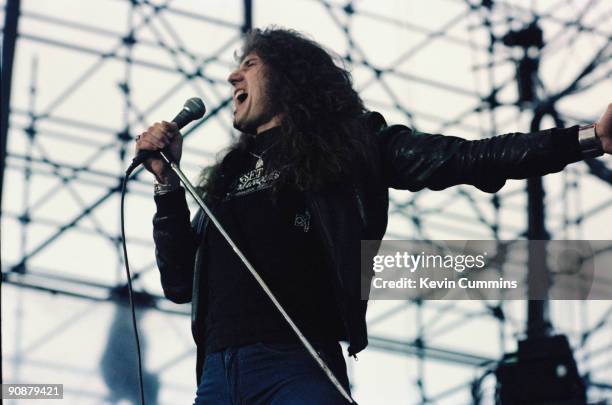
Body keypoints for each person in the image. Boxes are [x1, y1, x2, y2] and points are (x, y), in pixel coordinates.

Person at [134, 27, 611, 404]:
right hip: (216, 378)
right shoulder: (224, 179)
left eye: (249, 65)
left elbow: (465, 158)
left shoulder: (352, 146)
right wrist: (166, 184)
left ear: (289, 77)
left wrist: (587, 139)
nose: (232, 78)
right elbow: (178, 283)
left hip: (297, 367)